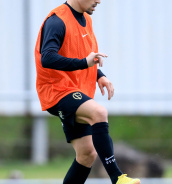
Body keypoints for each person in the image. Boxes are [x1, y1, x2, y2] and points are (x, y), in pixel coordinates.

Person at [34, 0, 141, 184]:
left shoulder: (86, 19)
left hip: (73, 89)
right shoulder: (57, 20)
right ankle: (117, 178)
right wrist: (84, 63)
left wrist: (99, 75)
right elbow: (48, 57)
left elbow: (83, 55)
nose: (98, 1)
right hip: (56, 90)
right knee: (99, 113)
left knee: (87, 154)